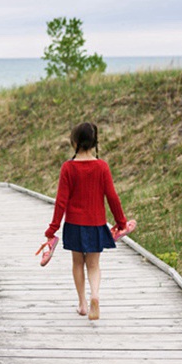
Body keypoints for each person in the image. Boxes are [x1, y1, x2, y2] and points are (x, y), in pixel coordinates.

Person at [43, 122, 129, 320]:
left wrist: (52, 229)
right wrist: (121, 222)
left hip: (74, 224)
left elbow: (61, 202)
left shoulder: (68, 168)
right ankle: (95, 296)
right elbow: (112, 197)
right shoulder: (101, 166)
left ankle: (82, 303)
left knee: (77, 263)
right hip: (96, 224)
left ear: (74, 142)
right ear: (94, 143)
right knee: (93, 265)